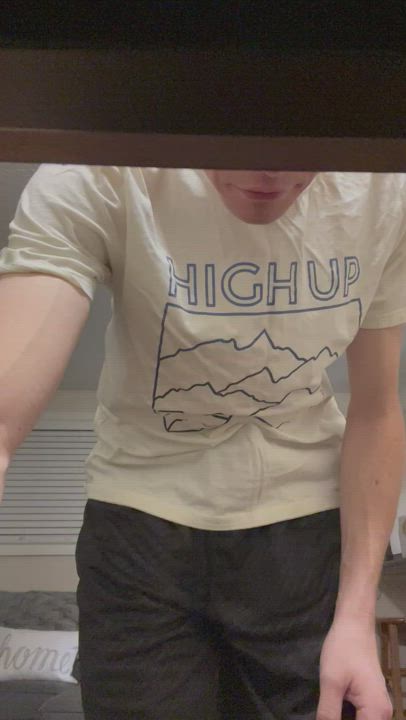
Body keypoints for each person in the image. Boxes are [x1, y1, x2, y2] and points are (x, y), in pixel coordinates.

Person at [0, 166, 405, 720]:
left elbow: (377, 410)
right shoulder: (102, 166)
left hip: (305, 532)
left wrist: (356, 618)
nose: (269, 171)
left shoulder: (384, 185)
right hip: (139, 525)